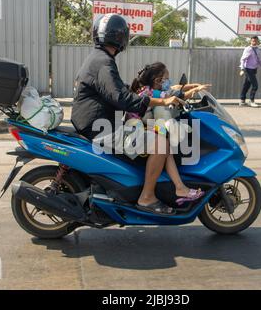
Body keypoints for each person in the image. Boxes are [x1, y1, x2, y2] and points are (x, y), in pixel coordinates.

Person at [71, 14, 197, 215]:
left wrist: (148, 95)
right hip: (101, 127)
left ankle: (168, 186)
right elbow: (121, 98)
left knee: (154, 134)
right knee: (161, 143)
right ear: (121, 37)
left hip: (98, 122)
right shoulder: (103, 62)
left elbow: (118, 91)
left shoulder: (99, 59)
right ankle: (147, 198)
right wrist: (160, 101)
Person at [129, 62, 209, 205]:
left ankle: (180, 187)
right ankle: (179, 187)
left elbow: (176, 88)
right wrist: (194, 91)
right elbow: (179, 96)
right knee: (166, 145)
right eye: (166, 78)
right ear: (158, 81)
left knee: (166, 148)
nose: (169, 81)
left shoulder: (147, 89)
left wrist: (197, 86)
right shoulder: (153, 93)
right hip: (137, 129)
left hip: (144, 126)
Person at [239, 36, 261, 108]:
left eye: (255, 41)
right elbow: (242, 59)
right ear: (251, 41)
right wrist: (242, 69)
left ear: (257, 41)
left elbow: (259, 60)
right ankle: (251, 101)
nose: (254, 42)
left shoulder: (257, 49)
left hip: (254, 69)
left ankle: (242, 100)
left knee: (247, 85)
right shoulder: (248, 49)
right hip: (248, 70)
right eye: (253, 41)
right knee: (255, 86)